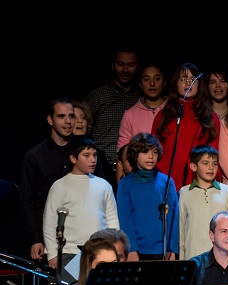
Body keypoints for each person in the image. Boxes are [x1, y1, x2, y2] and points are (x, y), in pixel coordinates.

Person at [43, 137, 119, 273]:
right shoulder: (60, 186)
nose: (92, 160)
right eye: (86, 155)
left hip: (99, 252)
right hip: (70, 253)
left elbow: (112, 219)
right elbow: (50, 221)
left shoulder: (104, 185)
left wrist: (115, 246)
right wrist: (52, 253)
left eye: (94, 155)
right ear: (73, 158)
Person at [21, 98, 76, 265]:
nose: (68, 121)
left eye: (71, 116)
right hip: (48, 232)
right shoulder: (35, 156)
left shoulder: (85, 152)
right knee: (57, 279)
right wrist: (35, 239)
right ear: (50, 120)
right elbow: (28, 200)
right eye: (61, 116)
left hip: (80, 229)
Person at [153, 63, 220, 191]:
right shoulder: (163, 115)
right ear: (176, 83)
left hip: (198, 181)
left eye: (192, 79)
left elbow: (213, 152)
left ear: (199, 84)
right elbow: (155, 148)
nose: (188, 83)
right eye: (183, 79)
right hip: (166, 181)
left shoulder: (209, 116)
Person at [116, 132, 178, 260]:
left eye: (154, 152)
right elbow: (125, 219)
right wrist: (131, 249)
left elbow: (173, 218)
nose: (150, 157)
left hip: (162, 250)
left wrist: (171, 248)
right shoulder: (126, 184)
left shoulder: (166, 182)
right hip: (137, 251)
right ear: (135, 155)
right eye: (145, 152)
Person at [82, 48, 140, 171]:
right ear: (113, 66)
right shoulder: (97, 96)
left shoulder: (142, 97)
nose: (125, 70)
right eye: (120, 64)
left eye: (131, 65)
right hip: (101, 166)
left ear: (138, 66)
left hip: (134, 167)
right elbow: (82, 130)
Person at [178, 145, 228, 261]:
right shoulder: (185, 192)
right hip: (193, 256)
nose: (211, 168)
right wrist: (182, 260)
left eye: (214, 164)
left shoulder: (226, 191)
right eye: (205, 163)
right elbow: (181, 230)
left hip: (222, 258)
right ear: (193, 166)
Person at [118, 64, 167, 154]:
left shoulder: (174, 110)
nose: (152, 84)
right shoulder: (130, 115)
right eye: (146, 79)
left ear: (164, 82)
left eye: (157, 79)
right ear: (140, 83)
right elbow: (123, 151)